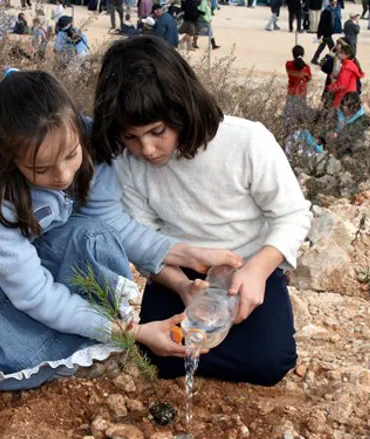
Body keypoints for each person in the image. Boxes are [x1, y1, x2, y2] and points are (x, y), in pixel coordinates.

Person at [0, 69, 244, 391]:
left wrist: (190, 257)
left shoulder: (84, 140)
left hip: (28, 246)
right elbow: (33, 293)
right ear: (8, 156)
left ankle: (89, 330)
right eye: (41, 170)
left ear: (76, 126)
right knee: (27, 355)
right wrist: (135, 333)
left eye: (72, 156)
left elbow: (108, 223)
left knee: (94, 241)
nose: (63, 175)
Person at [91, 36, 312, 385]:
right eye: (130, 138)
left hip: (248, 271)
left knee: (270, 364)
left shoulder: (246, 140)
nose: (146, 149)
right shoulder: (126, 161)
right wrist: (180, 286)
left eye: (157, 131)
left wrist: (258, 269)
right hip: (176, 273)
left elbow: (293, 215)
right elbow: (144, 239)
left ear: (182, 107)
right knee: (159, 359)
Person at [321, 92, 370, 157]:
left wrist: (337, 147)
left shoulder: (362, 120)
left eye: (347, 109)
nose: (344, 111)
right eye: (342, 107)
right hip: (334, 145)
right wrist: (330, 133)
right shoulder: (339, 112)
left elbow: (350, 136)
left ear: (354, 108)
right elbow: (328, 125)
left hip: (349, 150)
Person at [327, 42, 364, 108]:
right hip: (347, 96)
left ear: (347, 55)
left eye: (341, 52)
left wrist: (330, 87)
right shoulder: (350, 65)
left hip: (343, 97)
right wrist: (338, 77)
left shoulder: (347, 67)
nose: (338, 54)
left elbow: (342, 85)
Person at [284, 45, 314, 124]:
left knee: (289, 113)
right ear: (303, 54)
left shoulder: (288, 64)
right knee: (300, 113)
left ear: (293, 54)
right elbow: (309, 78)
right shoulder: (306, 67)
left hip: (291, 91)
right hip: (302, 92)